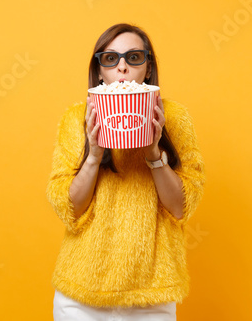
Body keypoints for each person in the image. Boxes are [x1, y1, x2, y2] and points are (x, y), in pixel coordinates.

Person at [46, 23, 205, 321]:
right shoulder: (76, 119)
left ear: (147, 68)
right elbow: (69, 208)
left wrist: (154, 154)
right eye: (110, 58)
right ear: (100, 72)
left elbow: (181, 206)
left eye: (133, 58)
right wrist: (93, 156)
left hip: (152, 294)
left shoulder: (175, 117)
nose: (122, 68)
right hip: (81, 294)